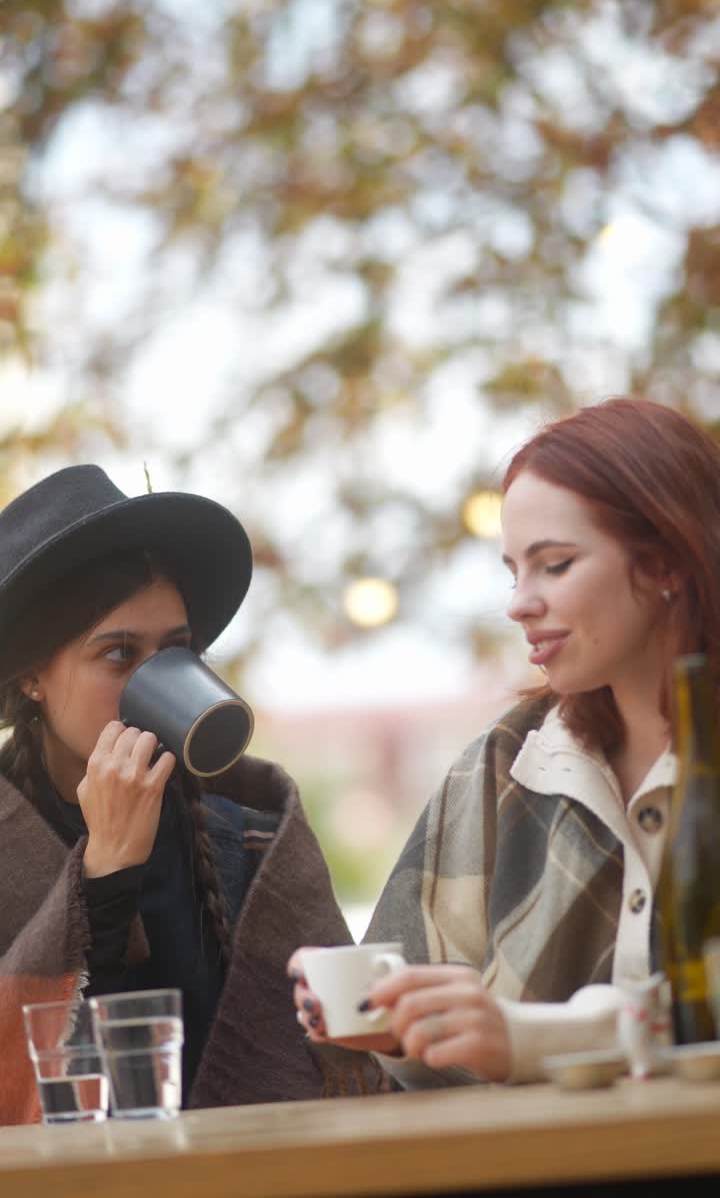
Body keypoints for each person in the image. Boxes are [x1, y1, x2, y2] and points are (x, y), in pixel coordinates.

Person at [290, 396, 719, 1088]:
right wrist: (395, 1027)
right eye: (513, 571)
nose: (519, 602)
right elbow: (416, 1065)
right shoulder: (506, 765)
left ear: (667, 560)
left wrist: (535, 1038)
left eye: (554, 565)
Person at [0, 464, 384, 1125]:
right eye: (120, 655)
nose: (157, 679)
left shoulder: (255, 831)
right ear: (33, 676)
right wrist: (106, 870)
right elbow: (28, 1084)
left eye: (178, 651)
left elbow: (349, 1061)